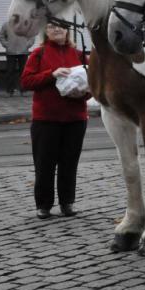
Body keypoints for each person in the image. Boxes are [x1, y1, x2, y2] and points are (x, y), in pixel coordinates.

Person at [21, 22, 89, 219]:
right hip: (46, 119)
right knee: (44, 164)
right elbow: (26, 81)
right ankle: (43, 205)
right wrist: (51, 74)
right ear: (46, 32)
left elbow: (91, 83)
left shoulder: (78, 54)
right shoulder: (39, 54)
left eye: (60, 26)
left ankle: (67, 203)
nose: (57, 29)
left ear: (67, 31)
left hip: (75, 119)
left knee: (69, 164)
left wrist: (83, 94)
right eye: (51, 27)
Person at [0, 20, 34, 95]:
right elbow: (2, 36)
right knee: (10, 71)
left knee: (24, 72)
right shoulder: (6, 24)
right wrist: (6, 45)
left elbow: (32, 35)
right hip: (11, 52)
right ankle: (10, 90)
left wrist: (27, 45)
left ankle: (23, 89)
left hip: (23, 52)